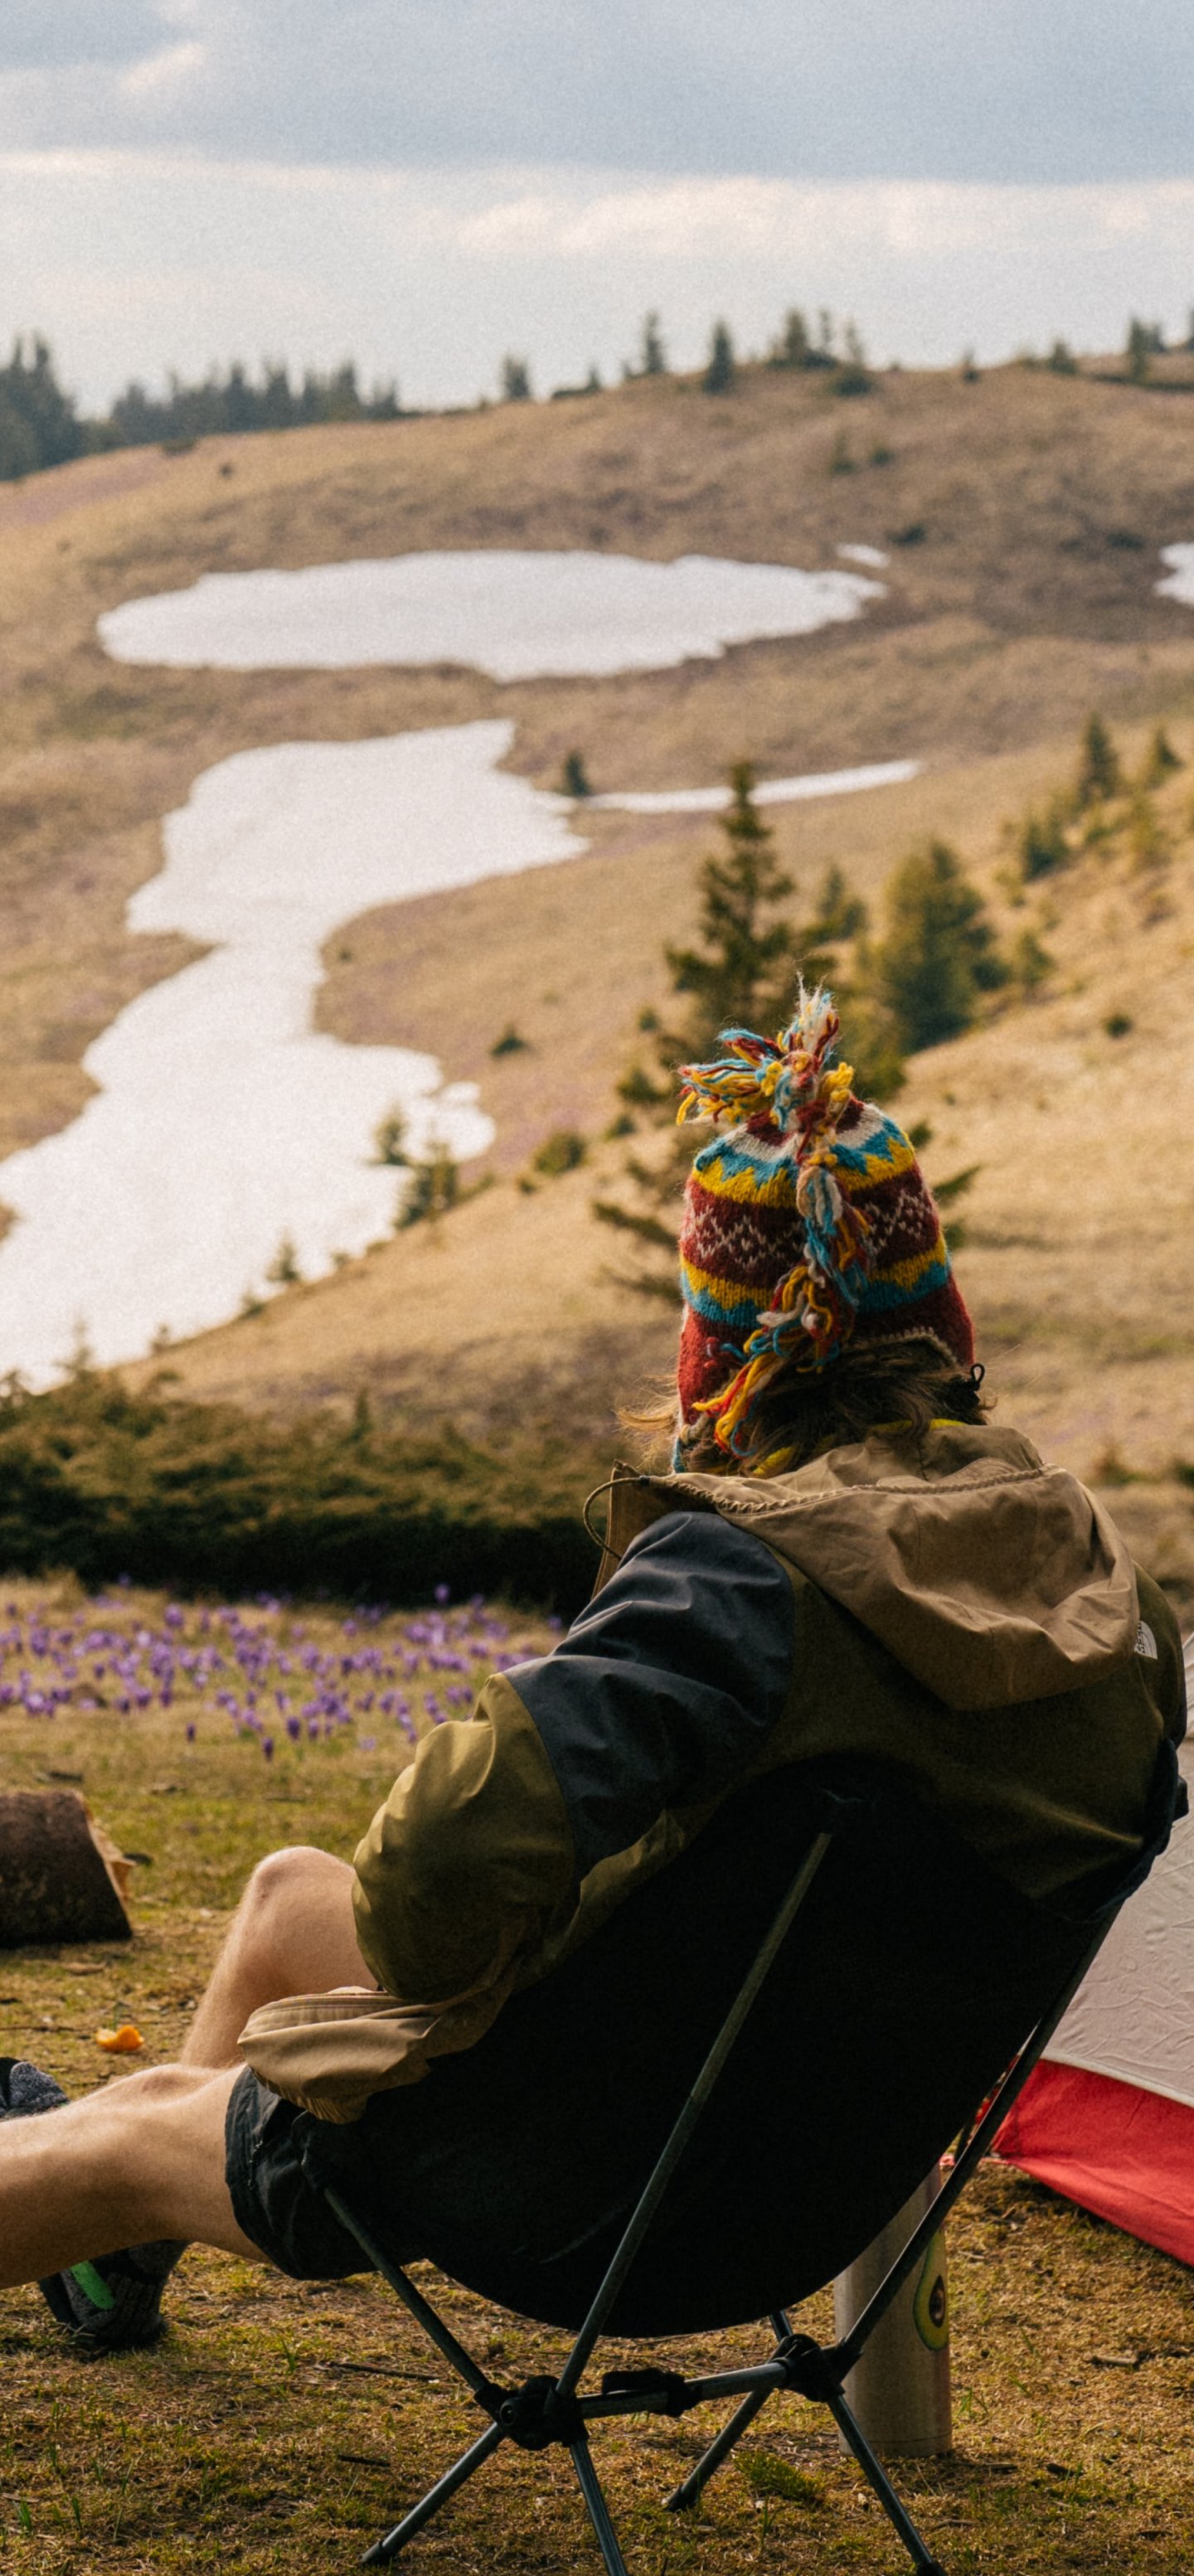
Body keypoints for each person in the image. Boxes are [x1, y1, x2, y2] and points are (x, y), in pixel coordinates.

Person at [1, 987, 1184, 2353]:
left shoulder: (749, 1585)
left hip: (581, 2188)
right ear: (945, 1326)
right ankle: (111, 2271)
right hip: (807, 2183)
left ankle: (126, 2193)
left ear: (721, 1355)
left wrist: (476, 1990)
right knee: (281, 1901)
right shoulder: (1114, 1604)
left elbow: (433, 1878)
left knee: (136, 2125)